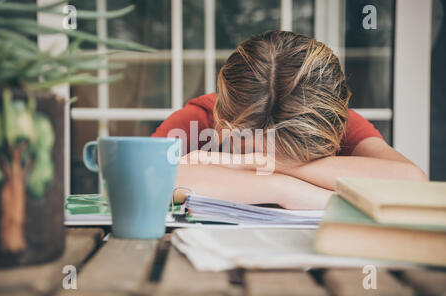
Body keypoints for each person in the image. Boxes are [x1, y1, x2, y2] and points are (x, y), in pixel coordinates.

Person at [152, 31, 427, 209]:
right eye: (253, 150)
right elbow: (144, 178)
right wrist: (283, 188)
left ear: (333, 129)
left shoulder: (339, 124)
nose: (268, 163)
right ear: (221, 118)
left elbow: (412, 183)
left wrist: (253, 162)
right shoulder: (200, 119)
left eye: (298, 158)